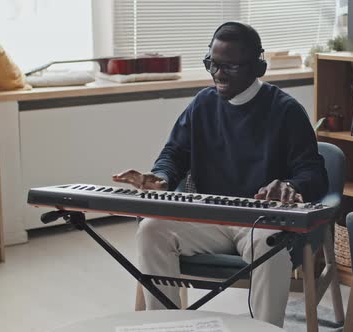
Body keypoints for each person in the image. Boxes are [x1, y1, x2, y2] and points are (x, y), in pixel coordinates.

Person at [112, 22, 328, 327]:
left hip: (261, 222)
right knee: (151, 230)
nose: (217, 73)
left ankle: (266, 329)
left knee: (271, 246)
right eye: (212, 63)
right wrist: (160, 177)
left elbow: (314, 172)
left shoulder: (285, 111)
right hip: (209, 216)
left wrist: (292, 185)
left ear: (258, 68)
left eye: (230, 66)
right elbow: (174, 154)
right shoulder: (202, 104)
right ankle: (169, 324)